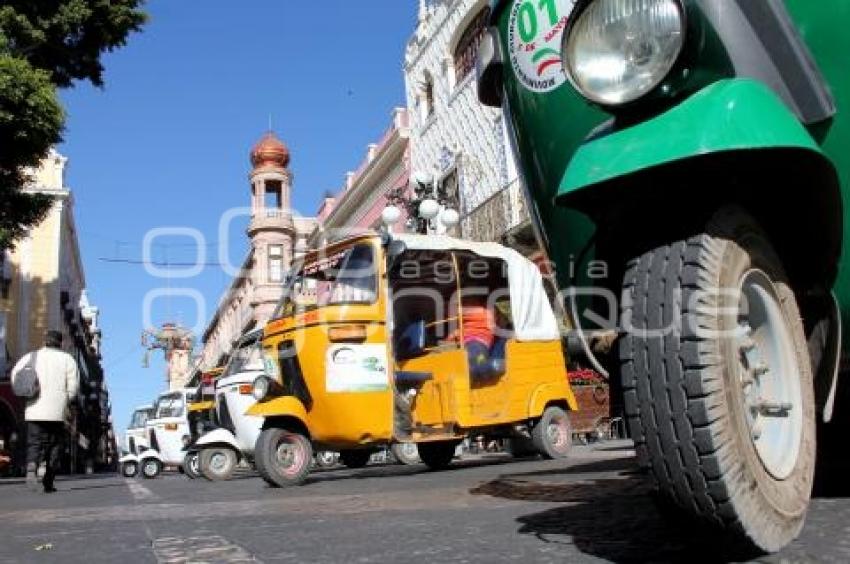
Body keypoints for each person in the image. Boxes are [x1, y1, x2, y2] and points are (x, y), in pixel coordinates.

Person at [11, 330, 79, 493]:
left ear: (45, 341)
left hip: (34, 408)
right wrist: (65, 399)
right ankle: (48, 481)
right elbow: (73, 387)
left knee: (34, 442)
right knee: (55, 445)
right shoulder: (67, 359)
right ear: (60, 343)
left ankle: (31, 464)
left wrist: (25, 392)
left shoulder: (32, 357)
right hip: (57, 412)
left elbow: (15, 375)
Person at [448, 295, 497, 381]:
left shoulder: (485, 310)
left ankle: (481, 371)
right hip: (471, 342)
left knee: (475, 355)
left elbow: (492, 327)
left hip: (477, 341)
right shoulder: (463, 314)